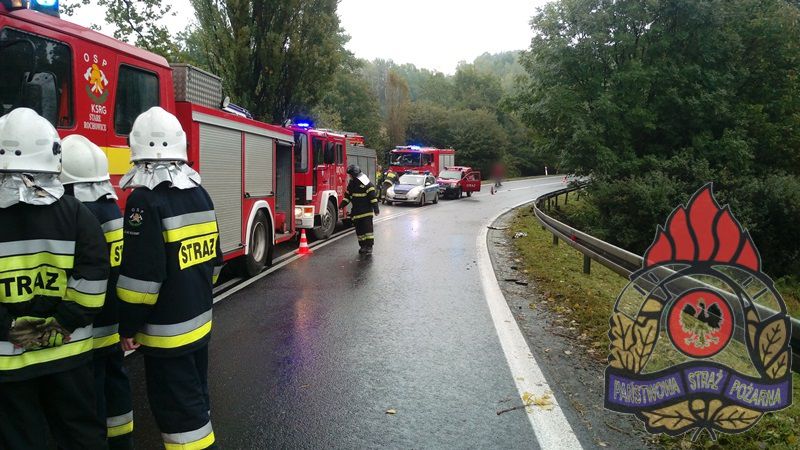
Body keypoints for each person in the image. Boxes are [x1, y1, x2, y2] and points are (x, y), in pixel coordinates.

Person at [0, 108, 109, 449]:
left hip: (9, 361)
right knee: (81, 437)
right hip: (69, 354)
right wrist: (62, 324)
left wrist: (8, 326)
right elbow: (94, 277)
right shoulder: (76, 213)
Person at [116, 107, 223, 450]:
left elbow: (141, 281)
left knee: (181, 422)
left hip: (166, 336)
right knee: (196, 406)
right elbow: (215, 261)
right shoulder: (199, 192)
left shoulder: (144, 201)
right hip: (200, 325)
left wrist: (128, 327)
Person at [60, 134, 133, 449]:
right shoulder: (111, 207)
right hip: (113, 323)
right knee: (116, 387)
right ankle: (121, 443)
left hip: (85, 329)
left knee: (88, 400)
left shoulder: (74, 213)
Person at [339, 164, 380, 254]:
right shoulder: (352, 184)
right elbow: (348, 196)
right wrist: (342, 205)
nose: (349, 176)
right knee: (360, 231)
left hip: (366, 213)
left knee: (368, 231)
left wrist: (376, 209)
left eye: (350, 174)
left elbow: (373, 198)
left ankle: (369, 247)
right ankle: (363, 246)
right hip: (356, 213)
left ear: (354, 174)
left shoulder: (366, 184)